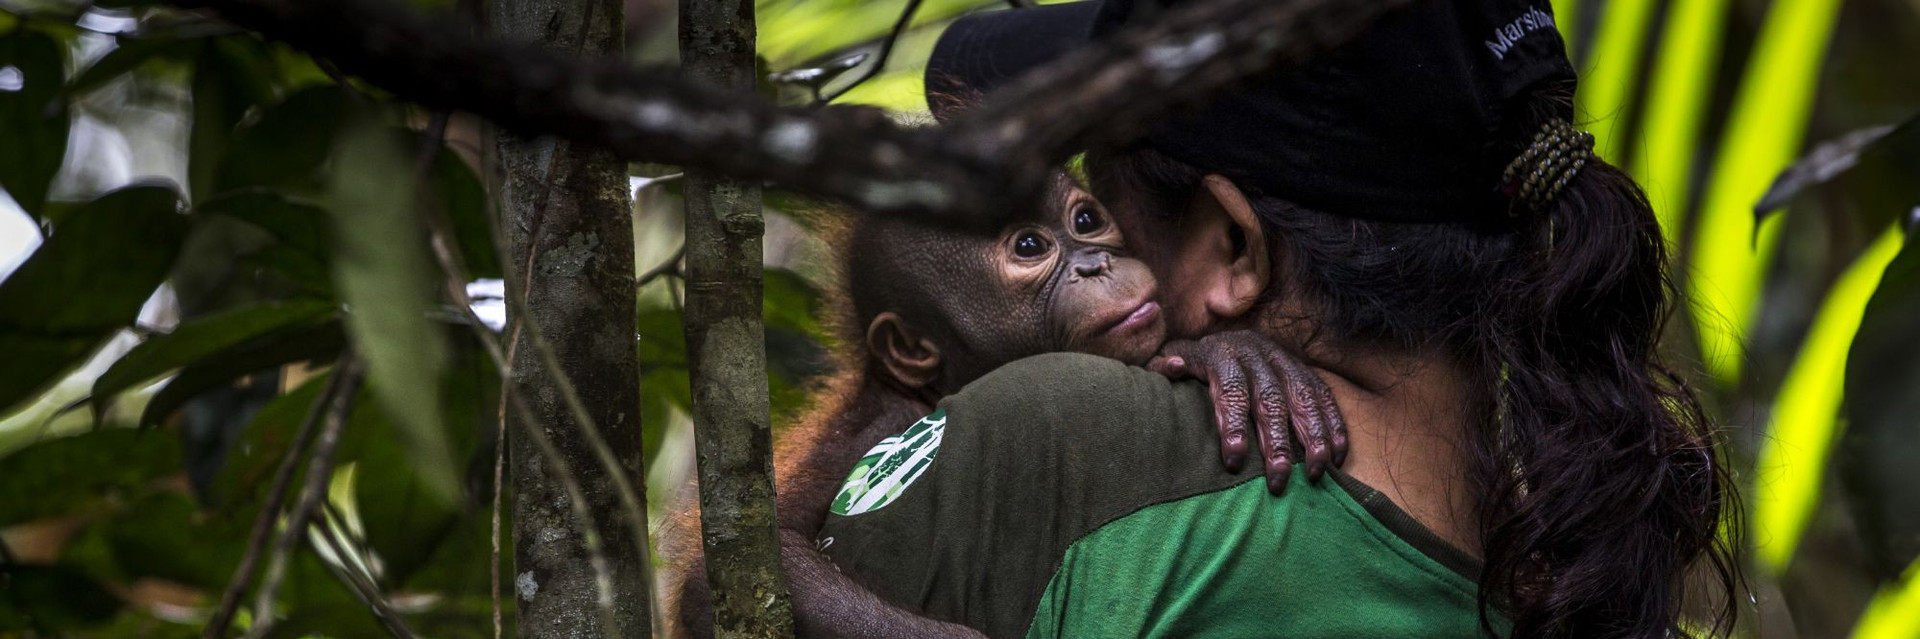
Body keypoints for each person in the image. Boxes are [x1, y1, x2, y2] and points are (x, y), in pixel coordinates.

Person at [809, 0, 1742, 637]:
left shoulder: (1064, 428)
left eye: (1096, 198)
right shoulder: (1562, 564)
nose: (1098, 248)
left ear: (1232, 248)